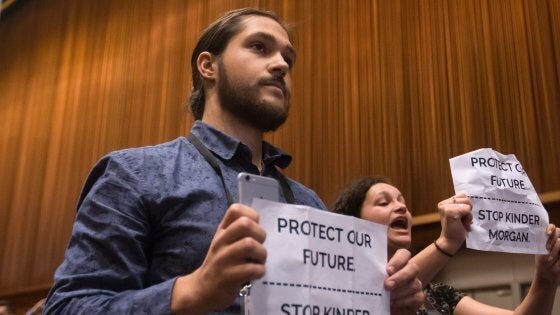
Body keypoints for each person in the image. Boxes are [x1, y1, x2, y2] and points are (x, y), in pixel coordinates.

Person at [44, 8, 422, 314]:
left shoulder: (309, 203)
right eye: (259, 47)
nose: (282, 65)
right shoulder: (134, 174)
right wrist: (191, 292)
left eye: (287, 57)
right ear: (208, 66)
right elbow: (69, 306)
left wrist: (382, 303)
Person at [331, 176, 560, 315]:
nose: (401, 207)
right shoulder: (339, 291)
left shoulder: (437, 295)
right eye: (384, 203)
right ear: (354, 223)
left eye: (402, 200)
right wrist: (447, 241)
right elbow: (377, 293)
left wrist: (545, 279)